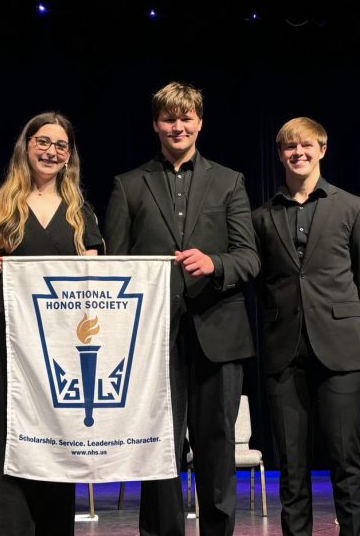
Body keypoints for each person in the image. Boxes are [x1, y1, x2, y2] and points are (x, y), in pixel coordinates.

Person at [104, 82, 259, 536]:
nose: (178, 126)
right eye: (169, 118)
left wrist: (215, 263)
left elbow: (248, 257)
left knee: (217, 449)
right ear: (156, 124)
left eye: (186, 117)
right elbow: (116, 266)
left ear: (199, 123)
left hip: (219, 333)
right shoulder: (128, 185)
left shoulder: (229, 181)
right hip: (153, 341)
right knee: (159, 450)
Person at [0, 111, 103, 535]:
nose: (51, 151)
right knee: (7, 437)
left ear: (69, 156)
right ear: (27, 145)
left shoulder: (82, 211)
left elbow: (94, 281)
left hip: (62, 344)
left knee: (57, 435)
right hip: (6, 337)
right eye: (43, 141)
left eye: (61, 145)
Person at [252, 117, 360, 536]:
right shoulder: (263, 216)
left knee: (345, 458)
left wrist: (350, 326)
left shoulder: (353, 207)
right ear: (280, 155)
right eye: (290, 147)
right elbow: (261, 282)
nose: (298, 153)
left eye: (307, 145)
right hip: (283, 349)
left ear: (322, 149)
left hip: (340, 349)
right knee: (291, 466)